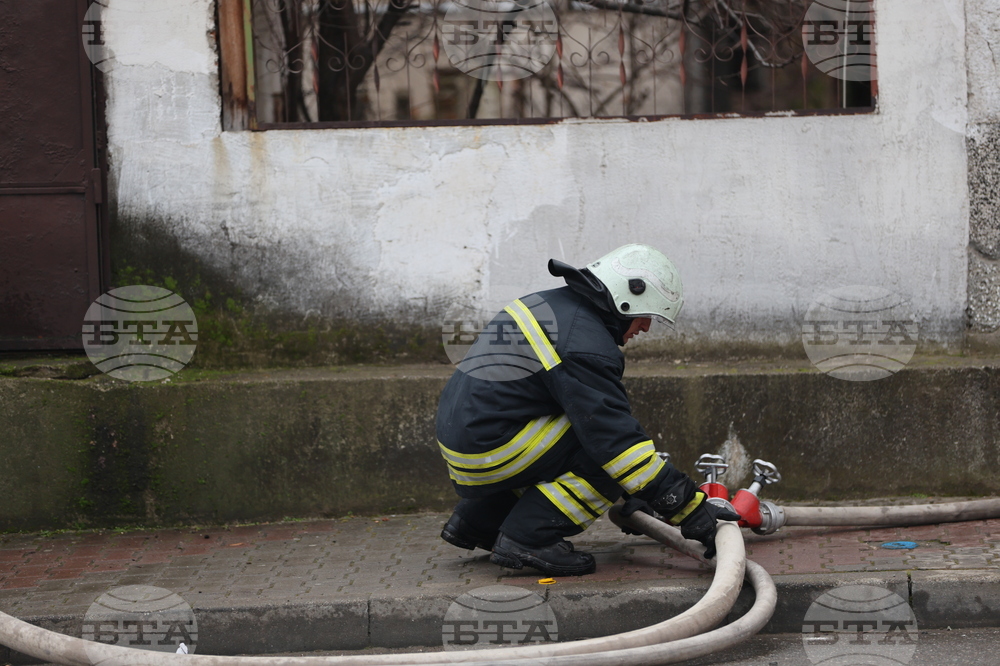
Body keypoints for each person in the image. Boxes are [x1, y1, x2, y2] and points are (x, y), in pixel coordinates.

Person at [435, 244, 740, 576]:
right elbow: (615, 442)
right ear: (627, 300)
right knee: (607, 456)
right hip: (490, 448)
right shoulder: (584, 344)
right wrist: (691, 511)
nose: (645, 328)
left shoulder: (553, 304)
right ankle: (529, 539)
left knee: (584, 441)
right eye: (646, 316)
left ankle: (478, 522)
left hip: (470, 441)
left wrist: (638, 494)